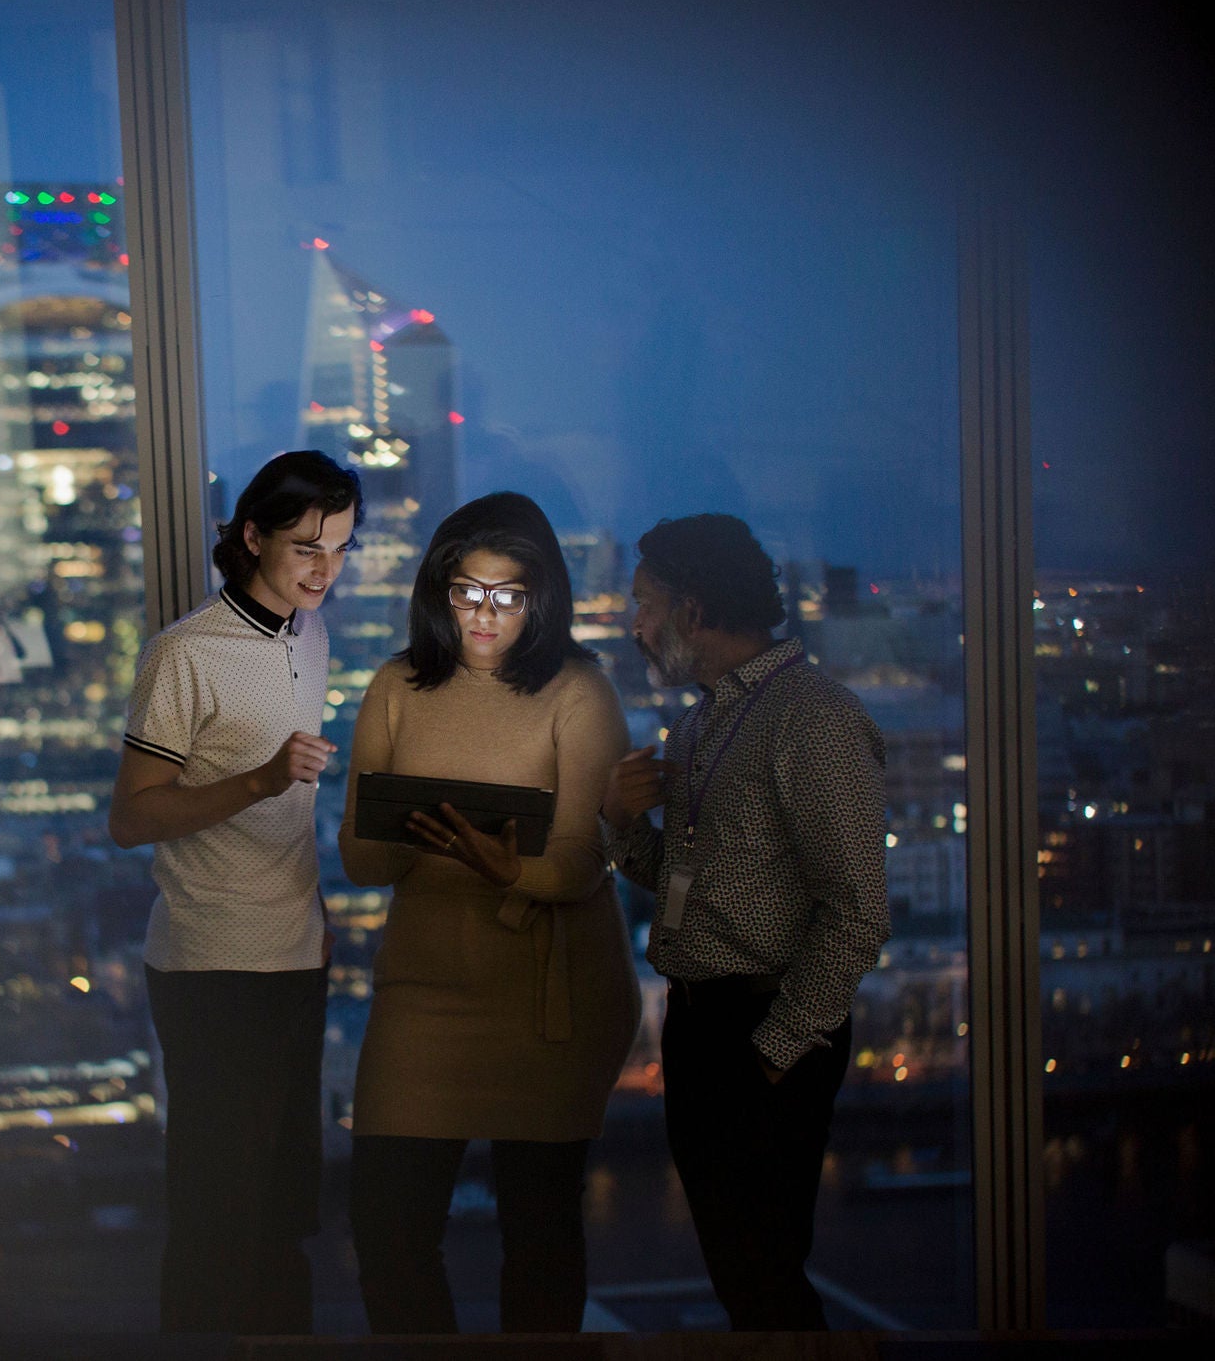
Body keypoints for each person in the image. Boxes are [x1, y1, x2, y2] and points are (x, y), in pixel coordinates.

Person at [337, 491, 638, 1334]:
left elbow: (581, 860)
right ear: (437, 589)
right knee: (389, 1230)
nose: (484, 613)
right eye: (467, 590)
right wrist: (420, 831)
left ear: (543, 599)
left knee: (539, 1235)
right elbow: (362, 860)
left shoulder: (580, 691)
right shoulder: (396, 685)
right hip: (424, 993)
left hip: (545, 1004)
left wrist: (506, 864)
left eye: (509, 595)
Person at [602, 513, 889, 1331]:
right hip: (700, 1028)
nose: (635, 624)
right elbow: (692, 885)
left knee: (763, 1276)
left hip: (765, 1029)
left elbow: (859, 910)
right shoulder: (699, 725)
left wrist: (775, 1049)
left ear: (693, 611)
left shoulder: (814, 718)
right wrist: (620, 821)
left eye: (645, 604)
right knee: (741, 1273)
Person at [108, 449, 363, 1334]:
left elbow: (297, 811)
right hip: (212, 963)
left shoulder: (313, 635)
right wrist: (254, 781)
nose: (323, 568)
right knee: (220, 1216)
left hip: (296, 953)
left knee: (290, 1209)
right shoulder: (184, 654)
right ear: (252, 535)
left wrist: (320, 909)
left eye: (338, 548)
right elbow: (131, 818)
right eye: (305, 547)